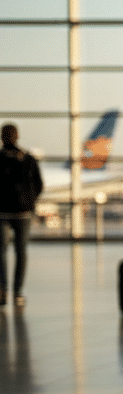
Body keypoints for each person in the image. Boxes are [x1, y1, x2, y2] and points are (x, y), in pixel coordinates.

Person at [0, 123, 43, 308]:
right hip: (24, 212)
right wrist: (29, 201)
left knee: (1, 252)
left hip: (2, 212)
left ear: (2, 137)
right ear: (17, 136)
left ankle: (3, 291)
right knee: (21, 252)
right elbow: (39, 184)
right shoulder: (28, 159)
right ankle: (18, 292)